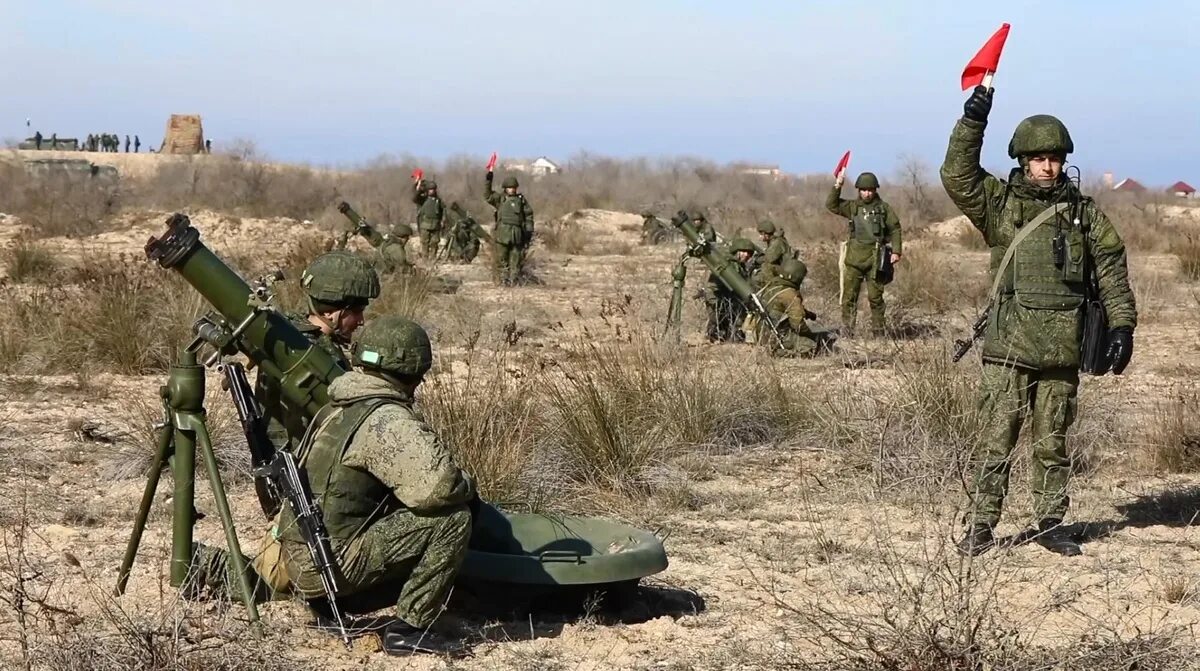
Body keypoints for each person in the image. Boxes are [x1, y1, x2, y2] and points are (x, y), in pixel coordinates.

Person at [187, 317, 474, 655]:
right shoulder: (385, 417)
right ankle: (409, 630)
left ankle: (201, 564)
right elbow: (439, 487)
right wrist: (469, 483)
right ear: (413, 370)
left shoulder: (336, 406)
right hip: (327, 566)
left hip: (298, 558)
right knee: (453, 520)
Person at [942, 86, 1137, 557]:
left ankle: (1051, 524)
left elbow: (1110, 266)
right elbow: (957, 174)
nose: (1047, 166)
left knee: (1052, 442)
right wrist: (973, 121)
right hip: (1008, 348)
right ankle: (982, 526)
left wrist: (1123, 326)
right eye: (1037, 158)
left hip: (1062, 351)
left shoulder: (1084, 215)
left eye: (1053, 157)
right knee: (995, 441)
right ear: (1022, 161)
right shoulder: (1000, 206)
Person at [254, 250, 380, 454]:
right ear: (331, 312)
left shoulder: (295, 337)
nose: (361, 321)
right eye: (356, 312)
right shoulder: (310, 355)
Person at [826, 171, 903, 336]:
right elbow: (831, 205)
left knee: (876, 299)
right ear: (858, 190)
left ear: (875, 190)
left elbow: (895, 228)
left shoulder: (883, 208)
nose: (867, 193)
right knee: (849, 298)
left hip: (876, 259)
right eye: (863, 189)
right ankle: (848, 331)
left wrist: (896, 251)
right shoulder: (852, 207)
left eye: (870, 189)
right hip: (854, 258)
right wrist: (838, 185)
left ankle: (879, 332)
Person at [757, 259, 832, 357]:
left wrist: (807, 313)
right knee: (812, 346)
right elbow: (798, 324)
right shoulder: (790, 294)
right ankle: (780, 353)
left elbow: (781, 308)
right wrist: (809, 334)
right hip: (778, 336)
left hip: (762, 334)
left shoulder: (771, 287)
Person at [483, 172, 534, 285]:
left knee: (515, 259)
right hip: (502, 233)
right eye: (509, 188)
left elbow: (529, 214)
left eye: (513, 188)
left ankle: (513, 281)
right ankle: (502, 280)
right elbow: (487, 196)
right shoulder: (500, 199)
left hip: (517, 234)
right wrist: (488, 181)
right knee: (501, 258)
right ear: (505, 188)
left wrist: (529, 230)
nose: (512, 190)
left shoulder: (521, 200)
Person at [703, 237, 754, 343]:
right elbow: (713, 285)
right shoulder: (728, 264)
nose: (747, 255)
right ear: (737, 251)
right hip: (717, 297)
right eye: (744, 252)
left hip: (727, 297)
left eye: (749, 253)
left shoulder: (740, 266)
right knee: (719, 321)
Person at [412, 177, 446, 259]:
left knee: (434, 242)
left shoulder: (438, 200)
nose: (432, 191)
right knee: (424, 242)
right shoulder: (423, 199)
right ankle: (425, 259)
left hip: (436, 224)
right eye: (430, 189)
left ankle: (433, 257)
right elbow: (415, 198)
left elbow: (443, 210)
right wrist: (419, 188)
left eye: (433, 189)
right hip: (425, 224)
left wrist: (443, 221)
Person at [755, 219, 793, 288]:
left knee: (766, 266)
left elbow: (769, 259)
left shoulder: (777, 242)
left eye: (761, 234)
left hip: (785, 271)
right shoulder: (774, 241)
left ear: (765, 234)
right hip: (783, 269)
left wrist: (757, 259)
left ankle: (769, 286)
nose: (759, 236)